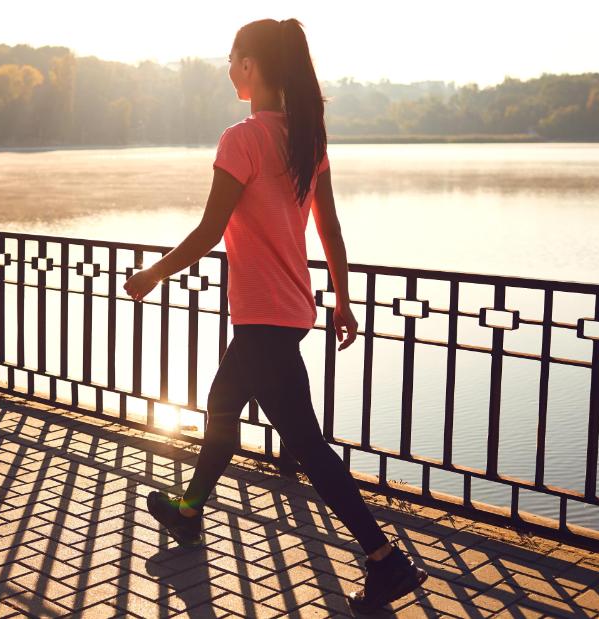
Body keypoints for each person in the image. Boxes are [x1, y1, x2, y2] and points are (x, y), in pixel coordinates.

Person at [122, 18, 428, 615]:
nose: (228, 67)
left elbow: (211, 230)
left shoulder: (242, 139)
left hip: (263, 317)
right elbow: (330, 229)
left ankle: (384, 560)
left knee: (307, 445)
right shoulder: (307, 140)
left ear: (254, 65)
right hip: (287, 312)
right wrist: (342, 298)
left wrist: (152, 275)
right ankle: (189, 511)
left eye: (233, 57)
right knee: (221, 406)